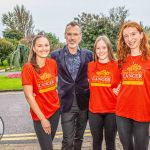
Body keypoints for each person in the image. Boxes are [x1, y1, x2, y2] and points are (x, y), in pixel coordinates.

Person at [51, 21, 93, 150]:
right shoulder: (55, 55)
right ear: (65, 35)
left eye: (75, 34)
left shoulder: (89, 55)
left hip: (83, 103)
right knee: (68, 140)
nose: (72, 37)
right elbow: (46, 74)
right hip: (66, 103)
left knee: (79, 138)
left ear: (80, 36)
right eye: (69, 34)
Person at [21, 34, 60, 150]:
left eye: (46, 45)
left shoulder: (52, 63)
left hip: (55, 111)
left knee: (48, 144)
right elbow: (29, 96)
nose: (44, 48)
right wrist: (43, 119)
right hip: (40, 115)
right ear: (33, 48)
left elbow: (55, 85)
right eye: (39, 46)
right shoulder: (28, 68)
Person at [116, 21, 150, 150]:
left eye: (133, 34)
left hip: (143, 114)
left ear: (141, 35)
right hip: (122, 113)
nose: (130, 39)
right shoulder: (121, 61)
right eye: (126, 36)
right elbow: (117, 82)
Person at [88, 35, 120, 150]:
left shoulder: (117, 65)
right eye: (98, 48)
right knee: (96, 142)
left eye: (104, 48)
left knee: (110, 143)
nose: (101, 51)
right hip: (94, 111)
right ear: (95, 50)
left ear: (109, 49)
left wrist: (121, 87)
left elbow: (128, 81)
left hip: (112, 110)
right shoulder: (90, 66)